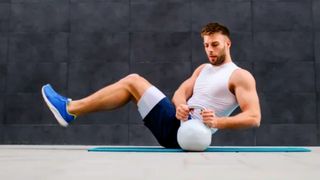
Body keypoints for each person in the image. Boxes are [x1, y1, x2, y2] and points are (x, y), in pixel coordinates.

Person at [41, 22, 261, 148]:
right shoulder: (202, 69)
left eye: (215, 45)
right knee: (131, 84)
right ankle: (70, 110)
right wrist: (182, 104)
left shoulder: (239, 76)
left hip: (190, 135)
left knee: (133, 81)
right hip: (176, 123)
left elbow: (254, 117)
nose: (210, 50)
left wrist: (219, 122)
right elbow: (180, 92)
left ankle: (70, 109)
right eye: (206, 45)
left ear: (227, 44)